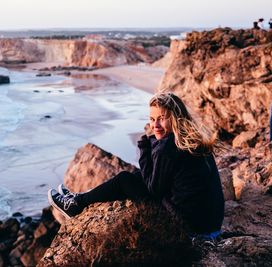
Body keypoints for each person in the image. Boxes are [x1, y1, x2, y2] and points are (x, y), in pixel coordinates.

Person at [48, 92, 225, 239]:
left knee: (125, 179)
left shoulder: (168, 148)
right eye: (152, 119)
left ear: (175, 119)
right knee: (139, 175)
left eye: (161, 118)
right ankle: (79, 198)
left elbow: (154, 190)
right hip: (211, 226)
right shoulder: (193, 141)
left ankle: (76, 205)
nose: (155, 125)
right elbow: (157, 179)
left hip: (188, 228)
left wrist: (145, 151)